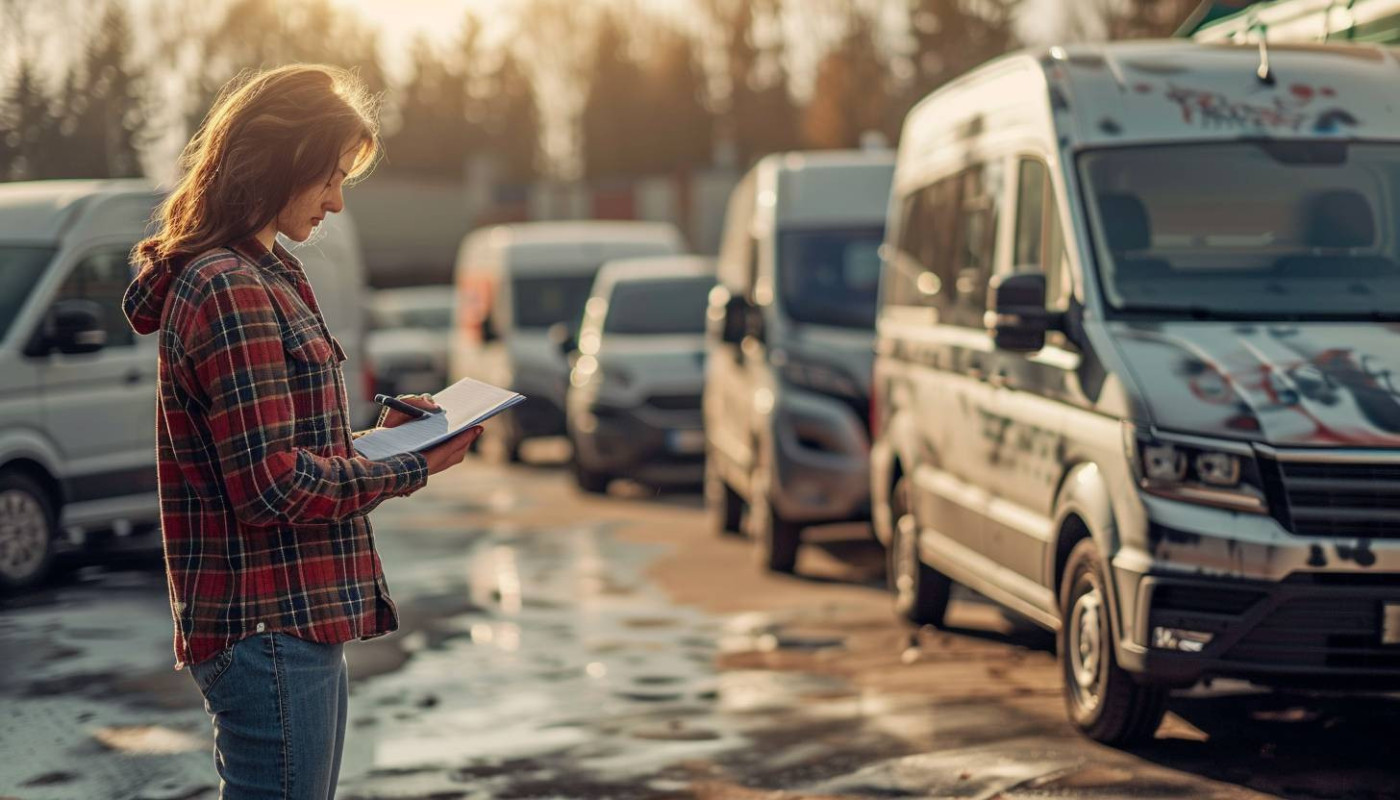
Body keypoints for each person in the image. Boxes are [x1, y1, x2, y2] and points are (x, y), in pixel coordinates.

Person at [122, 64, 479, 799]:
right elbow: (271, 485)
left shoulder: (260, 273)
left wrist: (384, 439)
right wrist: (413, 467)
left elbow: (279, 453)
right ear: (282, 159)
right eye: (330, 177)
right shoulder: (231, 286)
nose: (337, 201)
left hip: (283, 624)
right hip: (270, 627)